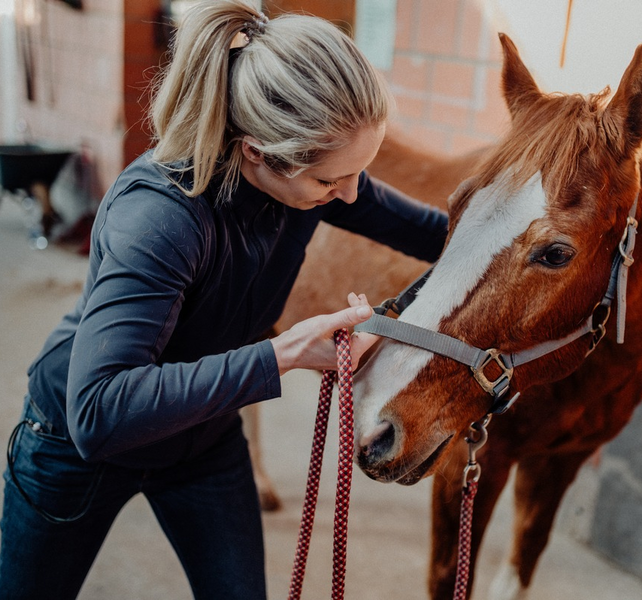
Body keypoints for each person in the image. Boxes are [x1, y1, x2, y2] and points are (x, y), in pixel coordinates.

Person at [0, 1, 447, 598]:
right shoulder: (160, 216)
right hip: (78, 450)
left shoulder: (320, 175)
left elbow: (442, 238)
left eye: (357, 175)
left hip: (203, 440)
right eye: (328, 181)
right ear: (257, 151)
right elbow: (100, 413)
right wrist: (281, 354)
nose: (348, 196)